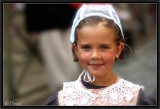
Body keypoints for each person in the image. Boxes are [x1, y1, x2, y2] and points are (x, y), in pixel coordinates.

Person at [45, 3, 156, 106]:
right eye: (86, 48)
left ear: (119, 49)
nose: (95, 55)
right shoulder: (61, 100)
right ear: (75, 50)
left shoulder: (136, 99)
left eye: (104, 47)